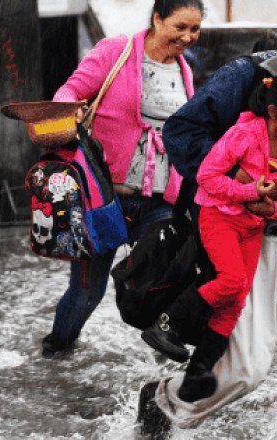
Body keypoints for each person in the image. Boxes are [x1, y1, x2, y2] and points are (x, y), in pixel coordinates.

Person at [137, 2, 277, 436]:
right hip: (242, 239)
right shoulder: (242, 79)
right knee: (245, 370)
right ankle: (164, 402)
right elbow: (183, 133)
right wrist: (236, 178)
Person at [140, 71, 277, 403]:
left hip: (252, 225)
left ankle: (199, 371)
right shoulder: (244, 134)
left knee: (235, 300)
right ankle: (167, 324)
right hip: (218, 216)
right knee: (233, 280)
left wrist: (273, 211)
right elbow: (207, 176)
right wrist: (247, 191)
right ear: (274, 113)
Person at [41, 0, 204, 358]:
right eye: (180, 27)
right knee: (86, 292)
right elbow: (69, 92)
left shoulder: (184, 69)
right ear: (158, 18)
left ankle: (166, 369)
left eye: (194, 29)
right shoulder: (117, 51)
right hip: (104, 200)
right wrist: (71, 110)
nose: (187, 37)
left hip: (160, 201)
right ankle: (56, 351)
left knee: (165, 281)